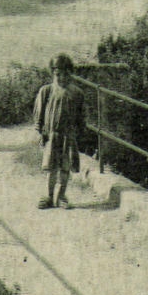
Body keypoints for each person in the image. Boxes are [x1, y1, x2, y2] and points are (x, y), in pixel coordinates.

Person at [33, 53, 85, 209]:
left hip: (69, 136)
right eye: (58, 74)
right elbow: (39, 112)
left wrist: (80, 131)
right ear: (53, 74)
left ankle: (61, 196)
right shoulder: (46, 91)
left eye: (66, 74)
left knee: (65, 166)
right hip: (52, 135)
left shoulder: (77, 93)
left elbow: (81, 115)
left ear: (71, 73)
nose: (62, 78)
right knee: (51, 167)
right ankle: (48, 196)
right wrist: (41, 132)